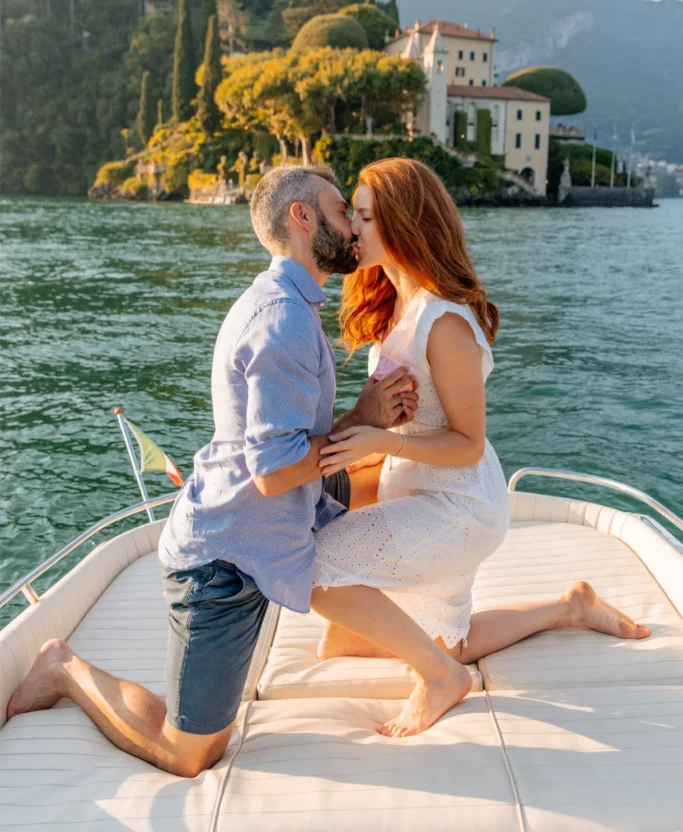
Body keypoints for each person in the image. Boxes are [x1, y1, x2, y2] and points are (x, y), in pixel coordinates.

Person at [5, 165, 418, 777]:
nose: (354, 230)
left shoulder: (292, 307)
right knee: (191, 752)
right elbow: (275, 474)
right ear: (300, 218)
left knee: (377, 482)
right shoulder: (283, 321)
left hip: (261, 535)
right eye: (340, 212)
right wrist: (363, 418)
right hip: (223, 563)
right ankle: (63, 668)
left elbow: (290, 453)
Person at [306, 158, 651, 738]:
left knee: (310, 568)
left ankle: (440, 678)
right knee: (376, 642)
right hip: (416, 488)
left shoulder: (444, 323)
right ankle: (571, 606)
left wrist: (380, 440)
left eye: (364, 217)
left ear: (402, 223)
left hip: (458, 506)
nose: (352, 230)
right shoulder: (398, 304)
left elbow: (468, 445)